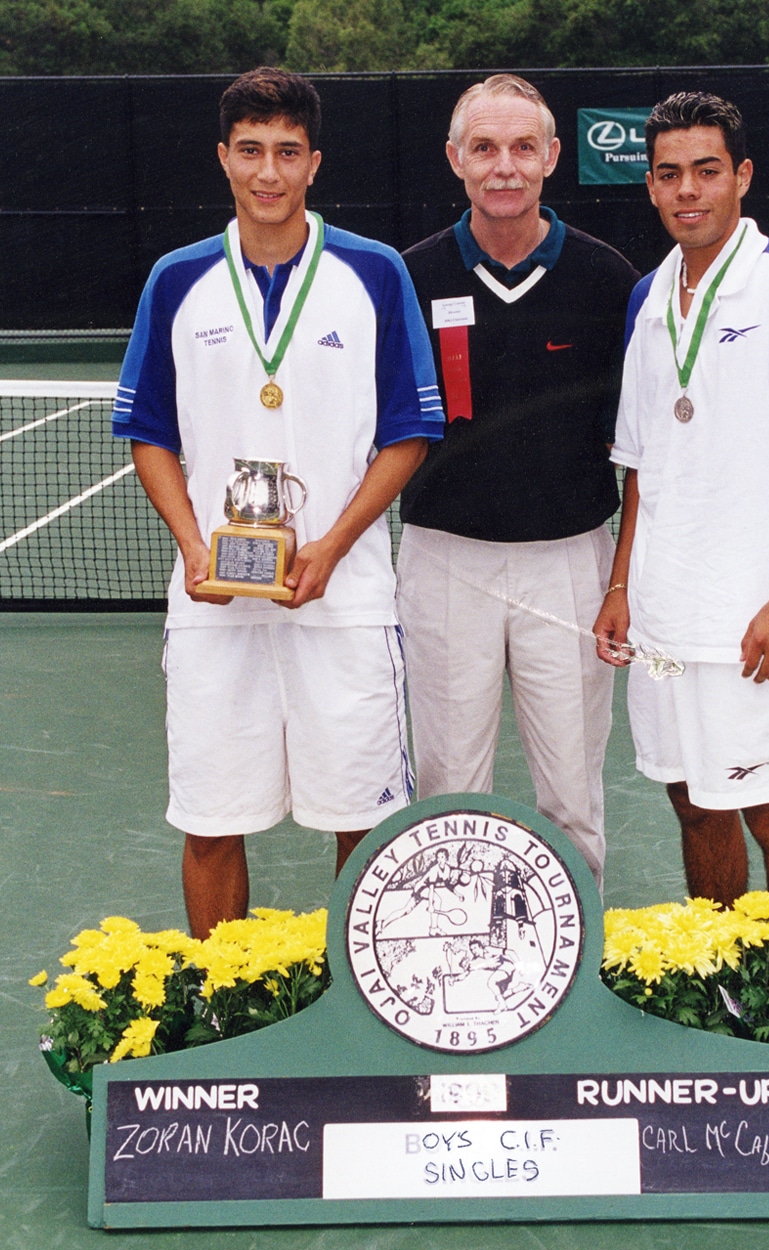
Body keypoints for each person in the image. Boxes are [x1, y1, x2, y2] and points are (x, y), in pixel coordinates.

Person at [111, 67, 444, 938]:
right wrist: (194, 548)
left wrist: (331, 547)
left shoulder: (373, 273)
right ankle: (222, 999)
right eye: (251, 150)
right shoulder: (176, 279)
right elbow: (149, 432)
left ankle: (357, 1000)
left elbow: (408, 432)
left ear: (313, 162)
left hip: (344, 599)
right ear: (223, 157)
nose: (269, 172)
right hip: (212, 606)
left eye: (287, 152)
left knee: (364, 822)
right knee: (211, 819)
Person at [593, 91, 769, 906]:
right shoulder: (645, 298)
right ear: (649, 184)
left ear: (740, 176)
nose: (687, 189)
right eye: (669, 173)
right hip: (663, 615)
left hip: (753, 619)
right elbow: (639, 463)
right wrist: (620, 586)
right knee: (691, 803)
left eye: (706, 170)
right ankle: (723, 970)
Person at [396, 74, 639, 890]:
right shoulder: (410, 276)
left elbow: (634, 444)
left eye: (522, 147)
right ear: (454, 159)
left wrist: (621, 580)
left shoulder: (608, 278)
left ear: (552, 156)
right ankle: (443, 945)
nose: (504, 166)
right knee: (447, 786)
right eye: (485, 148)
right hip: (443, 560)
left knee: (570, 791)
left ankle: (577, 951)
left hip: (567, 563)